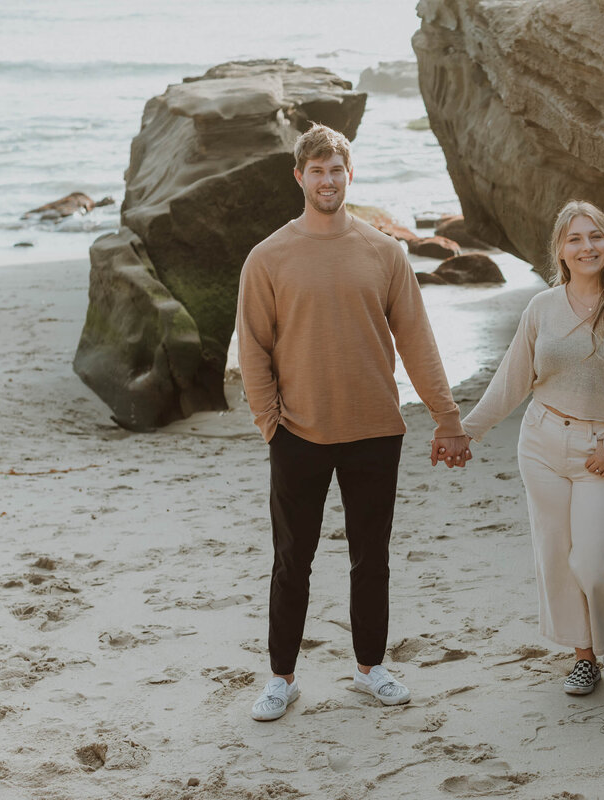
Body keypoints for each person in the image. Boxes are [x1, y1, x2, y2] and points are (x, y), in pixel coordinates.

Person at [236, 123, 471, 721]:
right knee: (294, 561)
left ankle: (371, 667)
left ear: (348, 173)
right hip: (299, 434)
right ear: (299, 177)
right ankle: (282, 678)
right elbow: (253, 349)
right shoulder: (268, 257)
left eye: (335, 169)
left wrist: (446, 416)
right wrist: (271, 424)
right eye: (316, 170)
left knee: (373, 557)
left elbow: (417, 341)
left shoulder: (384, 252)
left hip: (375, 430)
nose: (327, 179)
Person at [460, 200, 604, 695]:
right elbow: (513, 379)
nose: (586, 246)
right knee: (556, 554)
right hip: (542, 443)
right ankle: (582, 658)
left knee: (595, 564)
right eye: (574, 239)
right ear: (560, 249)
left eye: (594, 236)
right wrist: (466, 430)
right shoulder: (542, 308)